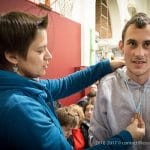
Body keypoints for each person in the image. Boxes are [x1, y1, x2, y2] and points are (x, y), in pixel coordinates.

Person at [0, 11, 144, 150]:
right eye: (40, 50)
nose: (49, 56)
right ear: (13, 57)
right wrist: (127, 136)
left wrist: (105, 66)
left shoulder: (25, 86)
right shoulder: (20, 107)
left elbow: (66, 84)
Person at [89, 12, 150, 150]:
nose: (139, 53)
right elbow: (97, 143)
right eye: (132, 43)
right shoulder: (107, 87)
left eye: (147, 44)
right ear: (121, 46)